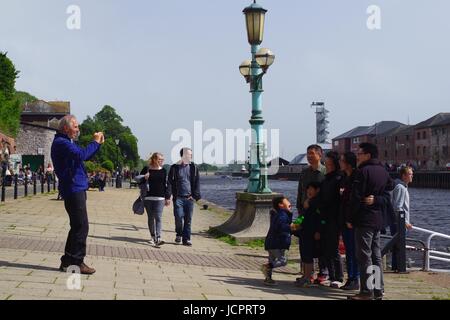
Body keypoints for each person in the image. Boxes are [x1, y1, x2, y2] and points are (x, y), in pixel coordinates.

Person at [51, 114, 104, 275]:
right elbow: (82, 155)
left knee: (76, 226)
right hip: (73, 188)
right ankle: (77, 262)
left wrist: (97, 145)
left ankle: (67, 261)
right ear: (66, 128)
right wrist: (95, 142)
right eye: (75, 127)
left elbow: (82, 155)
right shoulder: (62, 143)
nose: (78, 129)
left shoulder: (66, 142)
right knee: (81, 226)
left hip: (76, 187)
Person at [348, 143, 394, 300]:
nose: (357, 156)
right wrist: (377, 200)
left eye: (359, 153)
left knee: (364, 256)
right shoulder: (384, 171)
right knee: (376, 255)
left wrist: (350, 218)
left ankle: (366, 291)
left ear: (367, 155)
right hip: (378, 219)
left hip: (364, 219)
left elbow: (355, 198)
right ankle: (378, 290)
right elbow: (389, 195)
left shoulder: (362, 171)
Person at [296, 144, 328, 283]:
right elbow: (300, 192)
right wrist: (299, 209)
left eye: (312, 153)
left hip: (319, 213)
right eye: (308, 153)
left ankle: (323, 272)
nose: (309, 156)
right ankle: (308, 273)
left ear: (320, 155)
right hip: (305, 212)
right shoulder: (304, 172)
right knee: (305, 243)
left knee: (320, 242)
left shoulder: (325, 172)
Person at [166, 148, 201, 246]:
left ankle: (187, 239)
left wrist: (195, 196)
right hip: (178, 198)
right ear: (183, 155)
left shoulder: (194, 168)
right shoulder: (174, 168)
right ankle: (179, 234)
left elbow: (197, 183)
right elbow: (169, 183)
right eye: (189, 154)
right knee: (178, 217)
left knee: (188, 220)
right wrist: (168, 196)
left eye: (191, 155)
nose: (191, 156)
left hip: (189, 198)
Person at [319, 151, 344, 287]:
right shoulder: (326, 178)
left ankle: (339, 277)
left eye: (329, 163)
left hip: (334, 217)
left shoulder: (339, 178)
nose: (327, 166)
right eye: (325, 163)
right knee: (326, 248)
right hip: (325, 216)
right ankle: (331, 274)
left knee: (334, 248)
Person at [293, 182, 322, 287]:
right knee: (304, 254)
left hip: (311, 232)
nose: (309, 191)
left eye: (311, 189)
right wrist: (296, 224)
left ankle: (308, 277)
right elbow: (302, 216)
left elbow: (320, 219)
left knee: (308, 255)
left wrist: (318, 231)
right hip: (304, 232)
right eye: (307, 189)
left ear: (317, 190)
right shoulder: (307, 202)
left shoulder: (317, 202)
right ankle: (305, 275)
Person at [339, 152, 360, 291]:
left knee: (353, 250)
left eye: (342, 161)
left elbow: (355, 199)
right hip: (344, 219)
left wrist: (351, 219)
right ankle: (350, 277)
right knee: (349, 250)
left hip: (351, 221)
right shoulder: (344, 177)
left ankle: (355, 278)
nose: (340, 163)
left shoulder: (355, 178)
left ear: (348, 163)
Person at [261, 196, 294, 286]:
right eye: (287, 201)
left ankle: (268, 278)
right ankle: (267, 267)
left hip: (271, 242)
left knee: (272, 259)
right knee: (282, 261)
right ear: (281, 205)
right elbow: (281, 227)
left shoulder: (277, 214)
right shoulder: (282, 215)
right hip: (278, 243)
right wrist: (291, 227)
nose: (290, 202)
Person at [140, 152, 170, 247]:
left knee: (158, 217)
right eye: (160, 159)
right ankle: (152, 237)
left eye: (162, 159)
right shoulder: (146, 169)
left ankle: (158, 237)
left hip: (160, 198)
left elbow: (167, 184)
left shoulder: (164, 170)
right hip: (148, 197)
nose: (161, 161)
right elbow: (139, 182)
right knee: (150, 218)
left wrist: (168, 197)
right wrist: (144, 178)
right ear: (154, 159)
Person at [390, 166, 414, 271]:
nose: (412, 175)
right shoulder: (401, 187)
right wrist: (405, 222)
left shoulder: (401, 186)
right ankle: (398, 267)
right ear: (403, 176)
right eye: (409, 174)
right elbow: (398, 207)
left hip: (397, 222)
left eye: (412, 173)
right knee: (398, 246)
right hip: (399, 223)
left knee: (396, 246)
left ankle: (396, 266)